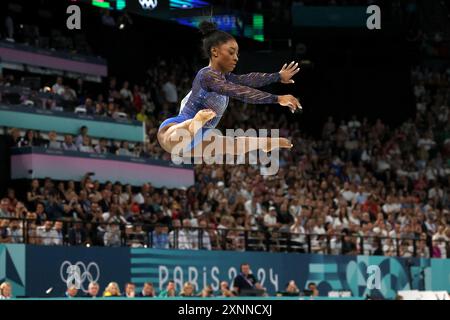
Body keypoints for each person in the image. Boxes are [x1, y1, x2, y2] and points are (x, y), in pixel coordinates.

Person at [157, 21, 301, 161]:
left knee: (231, 146)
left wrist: (278, 76)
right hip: (179, 126)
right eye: (231, 53)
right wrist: (277, 99)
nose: (236, 58)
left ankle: (264, 143)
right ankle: (194, 122)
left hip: (197, 139)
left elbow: (248, 80)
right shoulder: (207, 75)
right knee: (175, 138)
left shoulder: (226, 78)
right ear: (215, 52)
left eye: (237, 54)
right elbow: (239, 91)